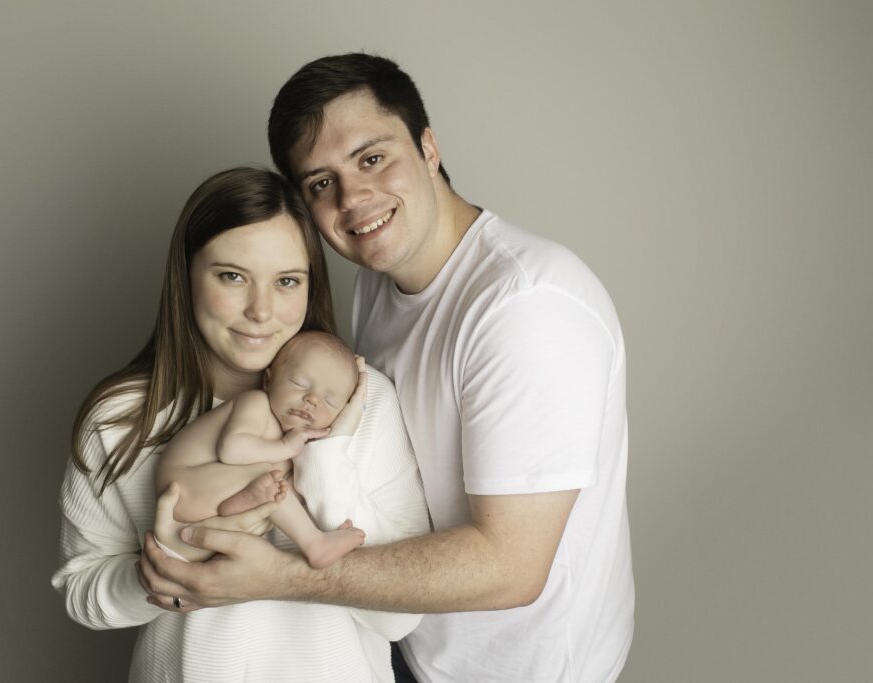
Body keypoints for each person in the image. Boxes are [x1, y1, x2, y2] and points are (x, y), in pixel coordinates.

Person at [139, 54, 635, 682]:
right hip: (403, 641)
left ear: (428, 146)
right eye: (321, 183)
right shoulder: (378, 283)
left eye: (372, 158)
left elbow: (512, 566)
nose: (353, 198)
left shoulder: (526, 309)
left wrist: (285, 576)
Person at [52, 166, 430, 682]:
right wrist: (163, 570)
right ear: (185, 276)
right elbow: (82, 593)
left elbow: (401, 618)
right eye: (232, 276)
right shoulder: (121, 419)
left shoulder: (364, 404)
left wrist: (327, 458)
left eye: (287, 281)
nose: (261, 311)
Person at [152, 330, 368, 569]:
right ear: (268, 380)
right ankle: (315, 544)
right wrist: (285, 447)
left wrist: (339, 435)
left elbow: (312, 489)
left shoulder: (296, 444)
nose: (312, 400)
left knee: (278, 487)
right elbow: (231, 449)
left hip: (207, 505)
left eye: (330, 401)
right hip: (183, 484)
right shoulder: (256, 404)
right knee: (268, 476)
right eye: (299, 384)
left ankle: (239, 504)